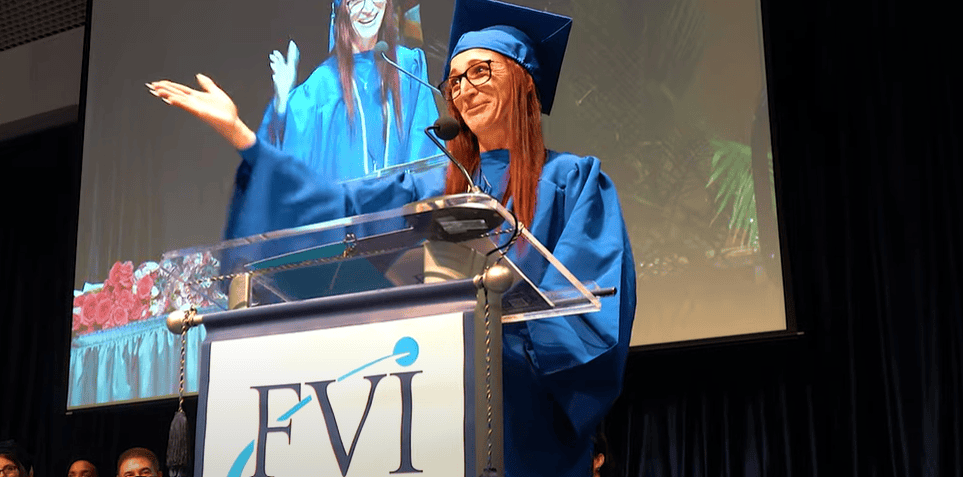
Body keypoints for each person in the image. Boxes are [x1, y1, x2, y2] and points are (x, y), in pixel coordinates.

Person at [149, 0, 635, 475]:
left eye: (482, 71)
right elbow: (337, 209)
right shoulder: (429, 187)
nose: (464, 90)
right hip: (423, 410)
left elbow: (591, 317)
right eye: (456, 80)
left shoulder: (575, 183)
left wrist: (492, 353)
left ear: (524, 80)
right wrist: (243, 137)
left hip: (524, 425)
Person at [257, 0, 440, 185]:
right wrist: (281, 104)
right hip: (347, 211)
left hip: (403, 208)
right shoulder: (323, 84)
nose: (368, 9)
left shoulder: (409, 66)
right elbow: (289, 160)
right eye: (357, 1)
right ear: (340, 9)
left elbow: (426, 151)